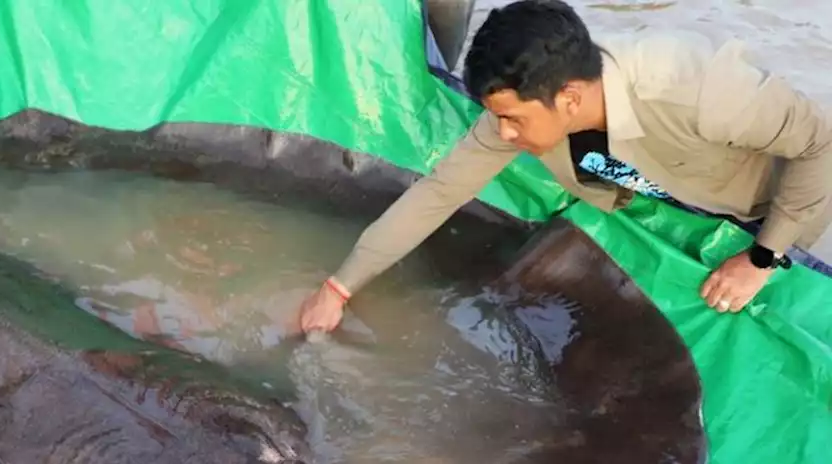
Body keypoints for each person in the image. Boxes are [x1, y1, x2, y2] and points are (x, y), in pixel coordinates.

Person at [299, 0, 832, 332]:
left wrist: (762, 259)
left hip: (772, 203)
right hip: (671, 193)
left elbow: (821, 147)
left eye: (511, 119)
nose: (502, 134)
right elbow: (439, 192)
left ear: (570, 98)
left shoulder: (696, 88)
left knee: (773, 308)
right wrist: (340, 285)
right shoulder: (525, 103)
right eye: (495, 117)